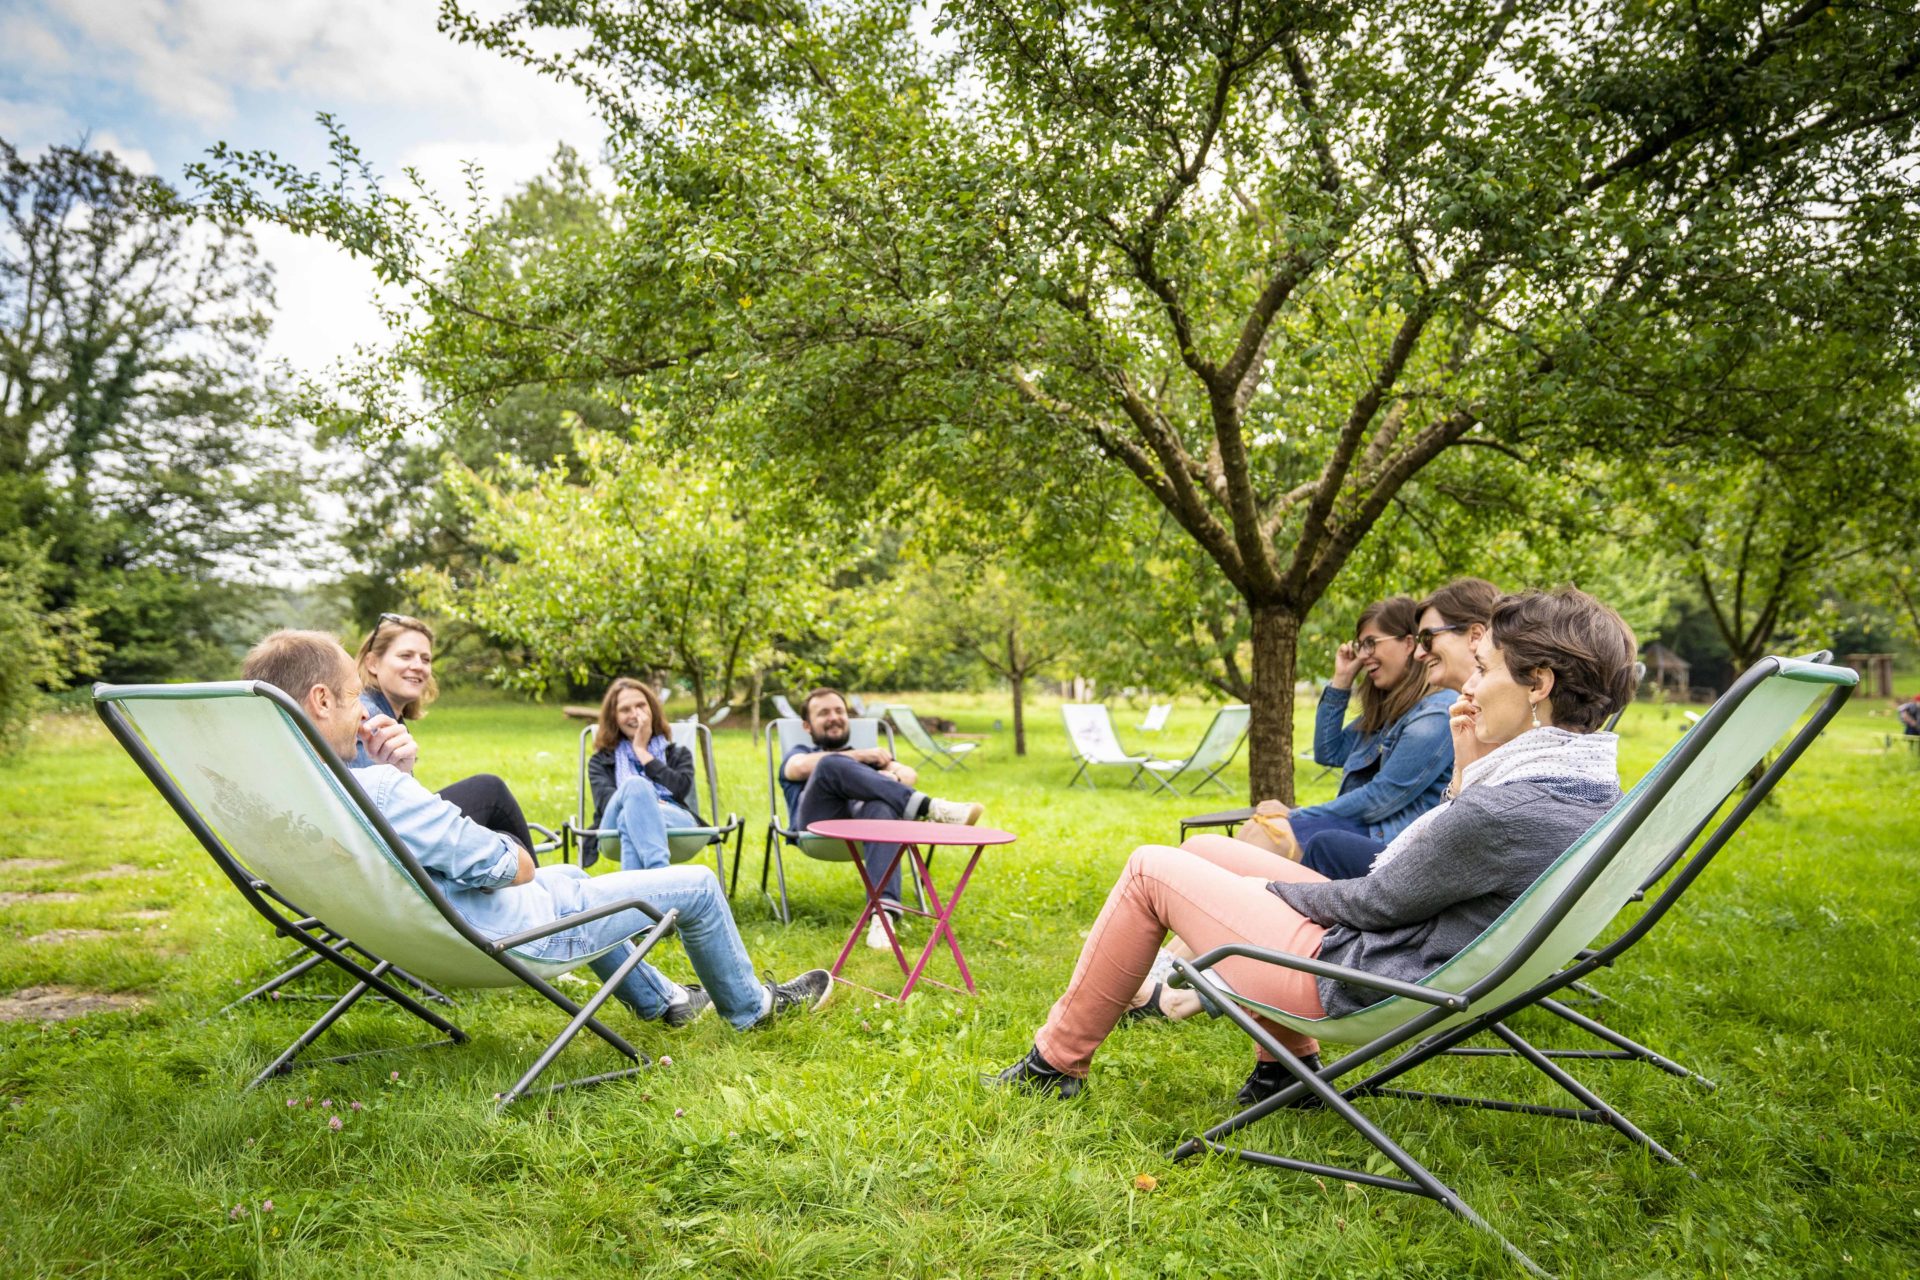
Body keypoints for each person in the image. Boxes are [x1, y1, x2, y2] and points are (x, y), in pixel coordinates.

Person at [991, 587, 1636, 1103]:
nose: (1468, 686)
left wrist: (1267, 892)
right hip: (1402, 957)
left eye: (1486, 668)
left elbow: (1380, 899)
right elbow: (1438, 867)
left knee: (1150, 870)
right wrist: (1464, 776)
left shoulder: (1508, 805)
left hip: (1359, 974)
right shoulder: (1584, 789)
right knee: (1201, 857)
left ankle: (1055, 1062)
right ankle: (1283, 1073)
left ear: (1540, 683)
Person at [242, 629, 832, 1031]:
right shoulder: (380, 792)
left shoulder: (282, 801)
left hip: (426, 936)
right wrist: (413, 790)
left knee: (570, 872)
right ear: (320, 699)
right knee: (698, 884)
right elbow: (510, 867)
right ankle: (753, 1010)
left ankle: (662, 1003)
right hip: (504, 937)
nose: (363, 713)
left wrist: (402, 779)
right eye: (352, 700)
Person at [1234, 596, 1456, 871]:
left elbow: (1382, 796)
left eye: (1371, 643)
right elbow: (1329, 751)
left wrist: (1295, 814)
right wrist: (1341, 681)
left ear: (1408, 644)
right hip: (1365, 827)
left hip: (1393, 845)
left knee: (1269, 834)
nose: (1364, 656)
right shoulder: (1392, 711)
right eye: (1361, 646)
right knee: (1258, 829)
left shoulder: (1434, 712)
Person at [780, 687, 984, 950]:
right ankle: (930, 808)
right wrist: (862, 757)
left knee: (881, 807)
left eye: (839, 711)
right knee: (831, 765)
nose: (834, 717)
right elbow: (796, 768)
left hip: (865, 827)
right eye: (824, 713)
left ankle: (882, 918)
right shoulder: (803, 752)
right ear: (808, 725)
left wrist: (892, 778)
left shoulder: (872, 759)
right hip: (815, 828)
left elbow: (908, 774)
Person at [351, 612, 537, 856]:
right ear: (373, 663)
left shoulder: (385, 715)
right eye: (405, 655)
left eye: (425, 659)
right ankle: (539, 890)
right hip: (383, 844)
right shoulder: (370, 718)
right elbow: (380, 806)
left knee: (507, 840)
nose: (418, 666)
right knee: (489, 791)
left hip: (392, 833)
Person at [582, 677, 704, 871]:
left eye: (640, 706)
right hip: (611, 826)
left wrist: (641, 751)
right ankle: (659, 873)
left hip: (675, 819)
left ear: (652, 710)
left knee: (628, 819)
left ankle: (638, 898)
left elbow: (681, 789)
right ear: (613, 717)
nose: (634, 715)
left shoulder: (678, 754)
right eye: (625, 709)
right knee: (635, 786)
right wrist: (645, 798)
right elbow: (605, 803)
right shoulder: (600, 761)